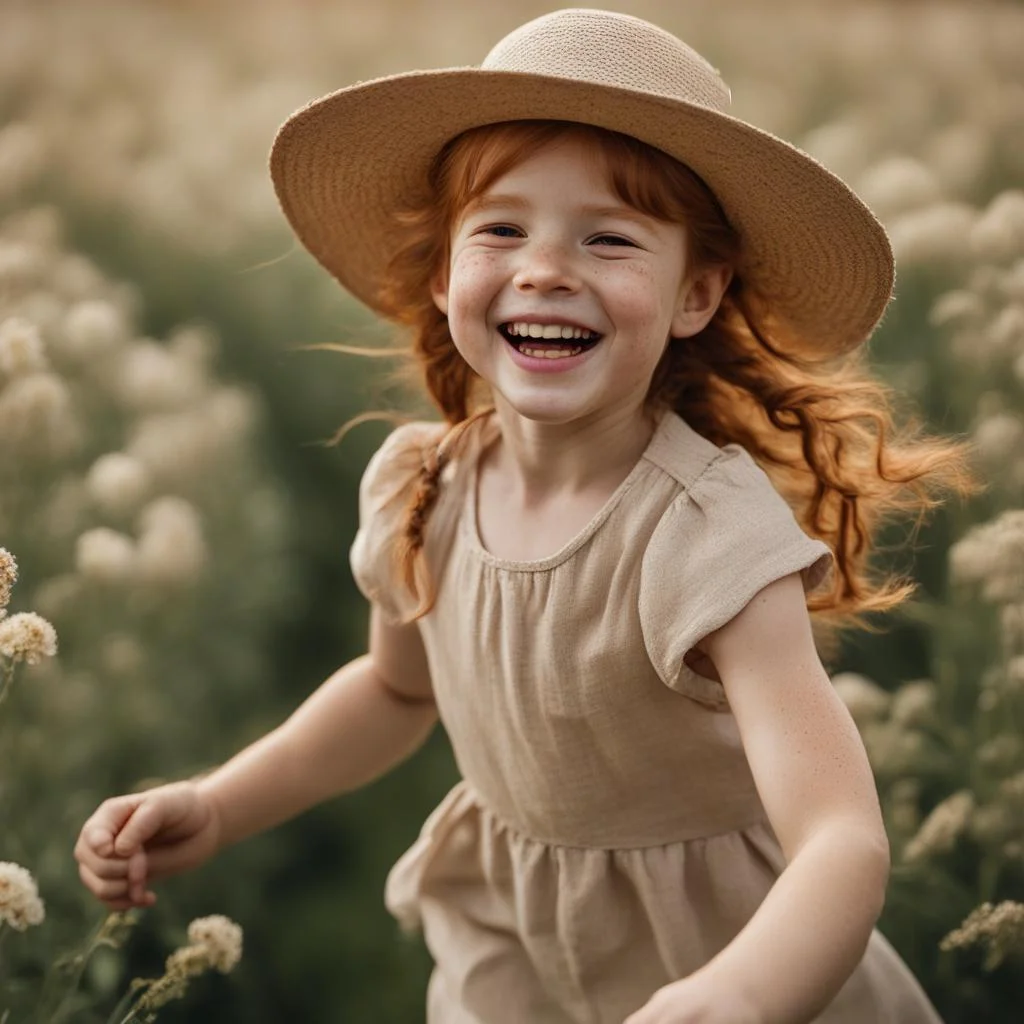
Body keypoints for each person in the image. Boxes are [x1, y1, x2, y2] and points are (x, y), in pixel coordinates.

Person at [75, 9, 973, 1023]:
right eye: (500, 229)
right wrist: (221, 801)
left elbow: (840, 837)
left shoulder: (706, 535)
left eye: (608, 238)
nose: (545, 268)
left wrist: (737, 994)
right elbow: (391, 689)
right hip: (518, 964)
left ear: (697, 294)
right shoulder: (422, 484)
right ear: (444, 273)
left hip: (738, 956)